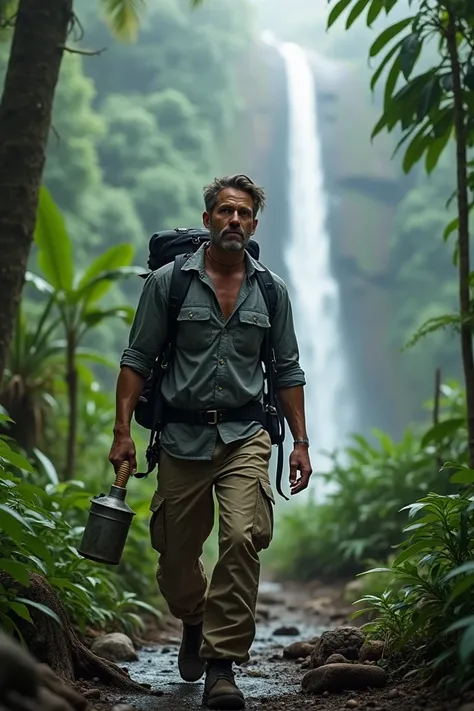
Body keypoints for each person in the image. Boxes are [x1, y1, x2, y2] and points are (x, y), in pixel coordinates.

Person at [109, 174, 312, 710]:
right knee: (176, 557)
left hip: (245, 435)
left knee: (244, 537)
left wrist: (300, 443)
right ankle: (194, 620)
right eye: (225, 211)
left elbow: (287, 371)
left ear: (254, 223)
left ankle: (222, 667)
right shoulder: (169, 284)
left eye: (244, 213)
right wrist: (122, 432)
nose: (235, 221)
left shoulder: (271, 291)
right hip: (179, 436)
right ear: (207, 220)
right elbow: (137, 360)